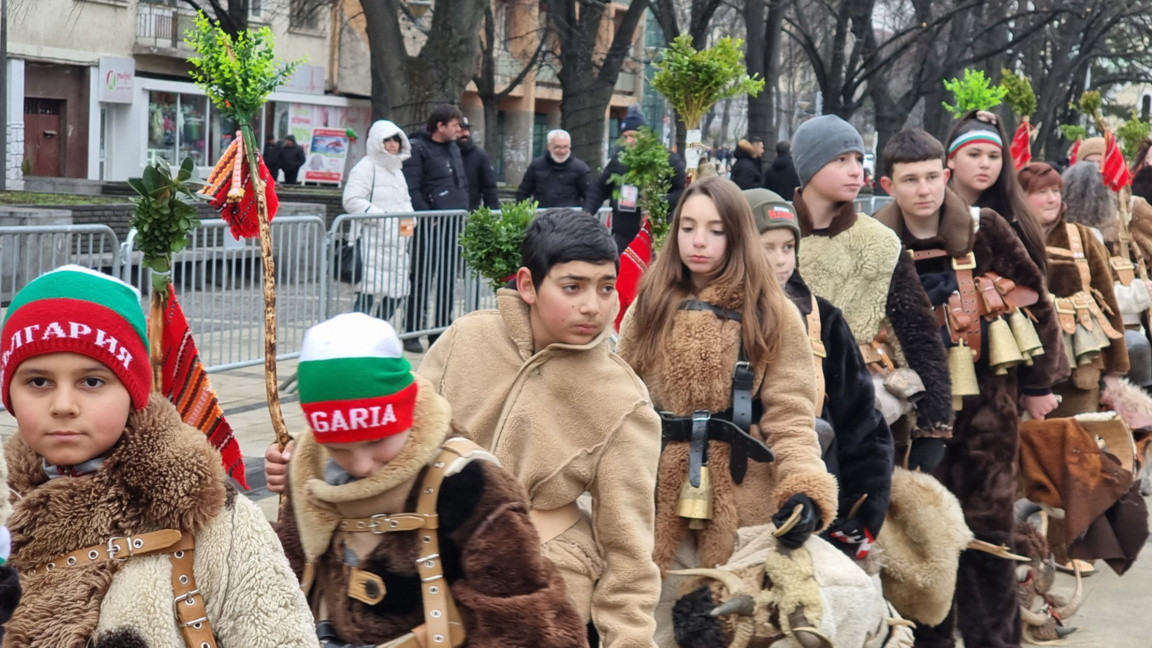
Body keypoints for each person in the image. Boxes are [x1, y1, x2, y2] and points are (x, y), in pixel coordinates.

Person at [1, 265, 317, 647]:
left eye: (92, 381)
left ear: (133, 390)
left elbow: (279, 636)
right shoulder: (6, 507)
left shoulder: (214, 517)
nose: (63, 405)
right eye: (38, 381)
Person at [418, 210, 662, 647]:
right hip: (429, 558)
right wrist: (311, 460)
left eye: (606, 287)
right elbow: (402, 435)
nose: (593, 305)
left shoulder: (625, 399)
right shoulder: (465, 338)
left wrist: (629, 640)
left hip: (548, 582)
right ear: (528, 285)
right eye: (573, 287)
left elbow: (630, 553)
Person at [273, 313, 587, 648]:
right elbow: (284, 569)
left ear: (407, 412)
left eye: (377, 441)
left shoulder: (467, 483)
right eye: (339, 449)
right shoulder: (309, 468)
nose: (361, 465)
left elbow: (522, 615)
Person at [616, 177, 837, 646]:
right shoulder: (648, 304)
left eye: (715, 230)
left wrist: (802, 487)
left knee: (735, 627)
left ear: (737, 235)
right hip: (657, 492)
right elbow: (619, 401)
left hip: (744, 496)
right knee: (650, 626)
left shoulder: (773, 311)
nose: (699, 241)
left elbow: (791, 415)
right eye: (688, 227)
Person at [875, 128, 1064, 648]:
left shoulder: (989, 228)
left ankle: (996, 642)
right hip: (909, 414)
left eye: (932, 177)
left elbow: (1038, 301)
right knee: (923, 540)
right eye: (910, 180)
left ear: (946, 174)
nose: (924, 190)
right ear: (889, 184)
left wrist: (1039, 383)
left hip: (989, 410)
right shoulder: (875, 239)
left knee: (987, 537)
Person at [790, 115, 953, 466]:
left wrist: (932, 426)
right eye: (841, 159)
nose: (855, 171)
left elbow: (917, 332)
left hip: (867, 403)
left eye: (859, 159)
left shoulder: (880, 241)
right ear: (809, 166)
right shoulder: (774, 233)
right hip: (785, 399)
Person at [747, 187, 893, 560]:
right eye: (767, 247)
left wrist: (859, 518)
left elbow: (862, 427)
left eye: (788, 247)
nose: (781, 261)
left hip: (810, 514)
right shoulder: (705, 317)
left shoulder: (823, 320)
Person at [1018, 161, 1127, 418]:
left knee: (1080, 448)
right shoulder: (1007, 238)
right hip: (1022, 371)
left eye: (1056, 191)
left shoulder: (1083, 237)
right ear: (1021, 198)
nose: (1052, 199)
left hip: (1081, 368)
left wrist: (1114, 374)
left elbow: (1108, 305)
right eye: (1041, 192)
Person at [1063, 160, 1152, 390]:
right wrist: (1142, 292)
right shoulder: (1087, 237)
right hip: (1094, 336)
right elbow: (1098, 295)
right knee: (1137, 345)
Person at [402, 104, 470, 354]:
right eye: (454, 125)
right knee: (421, 277)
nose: (458, 129)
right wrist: (426, 214)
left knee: (447, 279)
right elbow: (413, 187)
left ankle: (439, 330)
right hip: (430, 224)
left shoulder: (453, 148)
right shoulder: (417, 148)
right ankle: (412, 331)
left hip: (453, 222)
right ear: (440, 126)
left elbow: (459, 182)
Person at [584, 105, 687, 252]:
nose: (629, 141)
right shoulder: (619, 158)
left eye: (633, 136)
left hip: (656, 233)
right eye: (625, 137)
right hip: (624, 233)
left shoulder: (667, 159)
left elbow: (681, 191)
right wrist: (587, 212)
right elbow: (601, 188)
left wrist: (656, 204)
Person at [342, 119, 414, 321]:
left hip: (397, 244)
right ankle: (360, 340)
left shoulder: (397, 170)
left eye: (396, 140)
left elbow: (405, 201)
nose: (392, 144)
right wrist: (381, 218)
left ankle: (379, 330)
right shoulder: (365, 168)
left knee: (397, 292)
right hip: (371, 242)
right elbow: (351, 200)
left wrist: (408, 227)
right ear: (376, 142)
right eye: (387, 140)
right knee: (366, 294)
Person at [516, 129, 592, 208]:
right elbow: (522, 193)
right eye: (558, 147)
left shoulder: (580, 168)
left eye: (565, 147)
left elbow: (590, 196)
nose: (562, 151)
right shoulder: (536, 165)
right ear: (549, 146)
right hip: (542, 216)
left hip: (569, 217)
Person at [456, 117, 500, 211]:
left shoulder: (480, 155)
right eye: (460, 130)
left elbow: (490, 189)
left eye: (466, 130)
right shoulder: (444, 154)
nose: (465, 134)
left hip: (471, 212)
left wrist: (492, 216)